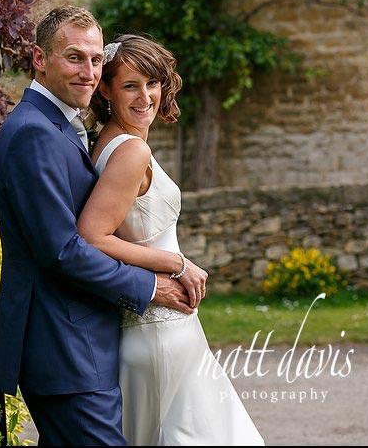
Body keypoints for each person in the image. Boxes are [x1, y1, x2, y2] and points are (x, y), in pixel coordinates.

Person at [0, 6, 197, 445]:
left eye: (96, 59)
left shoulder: (63, 126)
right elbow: (63, 250)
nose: (88, 72)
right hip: (65, 348)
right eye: (74, 57)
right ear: (39, 59)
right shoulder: (34, 133)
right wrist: (152, 286)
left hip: (84, 343)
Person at [77, 33, 265, 445]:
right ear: (106, 90)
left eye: (152, 83)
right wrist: (178, 264)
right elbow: (92, 236)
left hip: (159, 325)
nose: (145, 96)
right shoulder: (131, 152)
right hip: (160, 331)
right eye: (130, 85)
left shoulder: (108, 143)